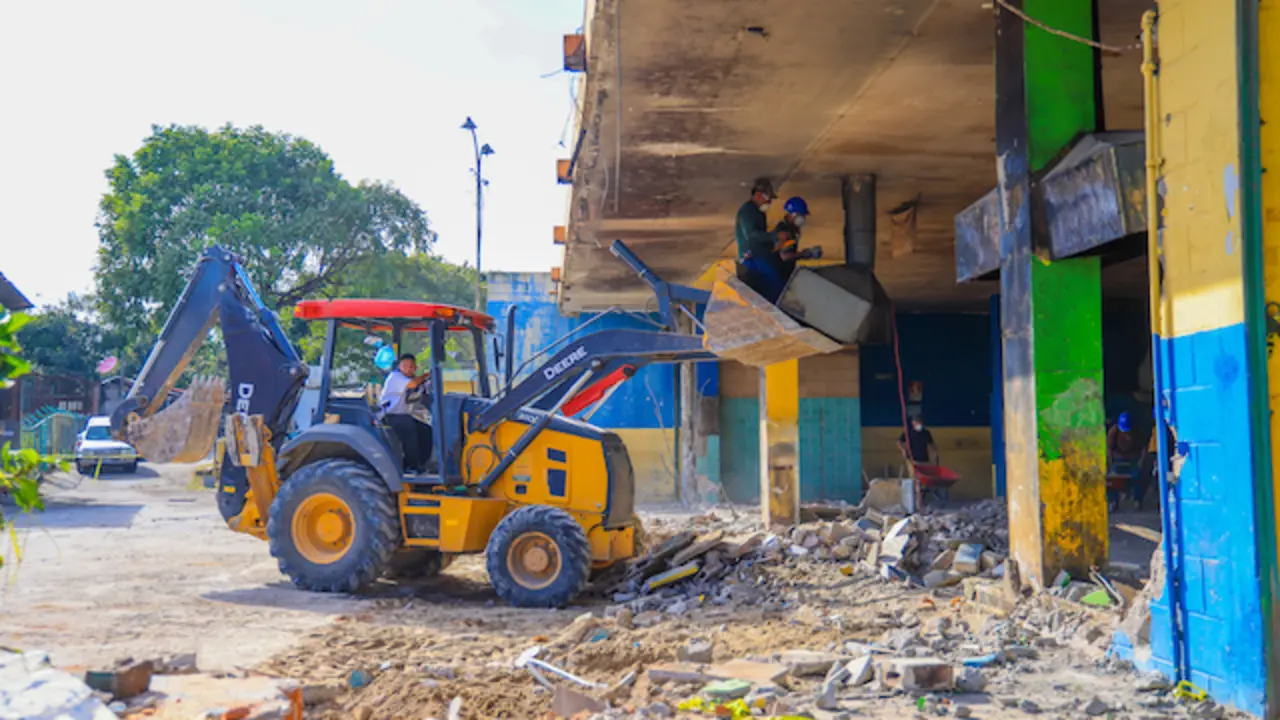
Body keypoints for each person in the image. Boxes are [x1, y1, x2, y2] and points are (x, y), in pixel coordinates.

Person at [379, 353, 433, 473]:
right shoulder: (395, 377)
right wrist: (426, 375)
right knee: (408, 427)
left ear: (415, 368)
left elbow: (421, 392)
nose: (409, 369)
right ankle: (412, 467)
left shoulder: (413, 380)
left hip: (404, 415)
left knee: (426, 430)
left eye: (411, 366)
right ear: (400, 366)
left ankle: (421, 463)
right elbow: (413, 384)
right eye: (405, 366)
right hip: (390, 415)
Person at [734, 177, 783, 297]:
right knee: (774, 286)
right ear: (757, 195)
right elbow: (751, 235)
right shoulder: (747, 211)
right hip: (752, 259)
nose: (769, 202)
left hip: (759, 257)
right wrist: (774, 236)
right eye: (768, 198)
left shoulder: (759, 213)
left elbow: (760, 235)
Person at [767, 197, 822, 300]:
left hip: (783, 272)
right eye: (802, 215)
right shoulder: (785, 231)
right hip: (778, 274)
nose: (803, 218)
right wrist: (805, 254)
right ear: (793, 214)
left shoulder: (792, 229)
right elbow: (784, 256)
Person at [1107, 411, 1146, 509]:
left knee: (1138, 477)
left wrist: (1141, 461)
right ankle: (1113, 502)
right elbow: (1109, 449)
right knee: (1113, 479)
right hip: (1118, 458)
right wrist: (1111, 463)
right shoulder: (1113, 432)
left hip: (1133, 458)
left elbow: (1144, 448)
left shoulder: (1137, 432)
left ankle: (1137, 500)